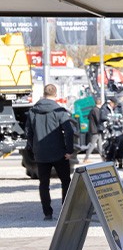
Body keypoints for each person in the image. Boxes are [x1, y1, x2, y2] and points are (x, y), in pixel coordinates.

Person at [25, 84, 76, 221]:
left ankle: (47, 213)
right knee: (66, 182)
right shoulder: (59, 111)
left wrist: (34, 147)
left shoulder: (33, 111)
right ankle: (65, 211)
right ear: (55, 94)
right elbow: (69, 131)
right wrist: (69, 150)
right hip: (59, 153)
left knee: (44, 184)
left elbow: (28, 133)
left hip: (41, 154)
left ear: (44, 93)